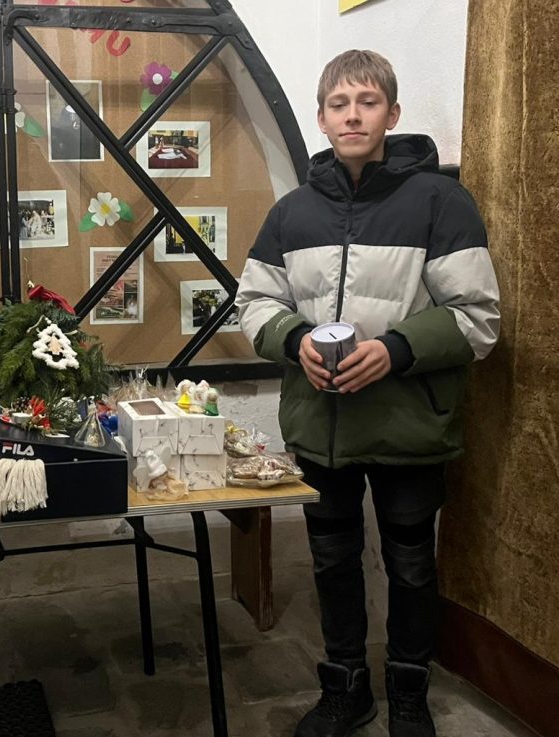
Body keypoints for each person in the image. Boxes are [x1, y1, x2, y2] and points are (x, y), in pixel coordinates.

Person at [235, 50, 500, 737]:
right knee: (332, 560)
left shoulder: (441, 202)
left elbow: (478, 316)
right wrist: (294, 339)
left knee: (411, 565)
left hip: (410, 426)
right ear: (321, 119)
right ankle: (345, 689)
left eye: (367, 102)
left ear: (392, 113)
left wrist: (394, 350)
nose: (352, 115)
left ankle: (409, 695)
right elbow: (254, 303)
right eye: (339, 104)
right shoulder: (291, 212)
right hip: (321, 426)